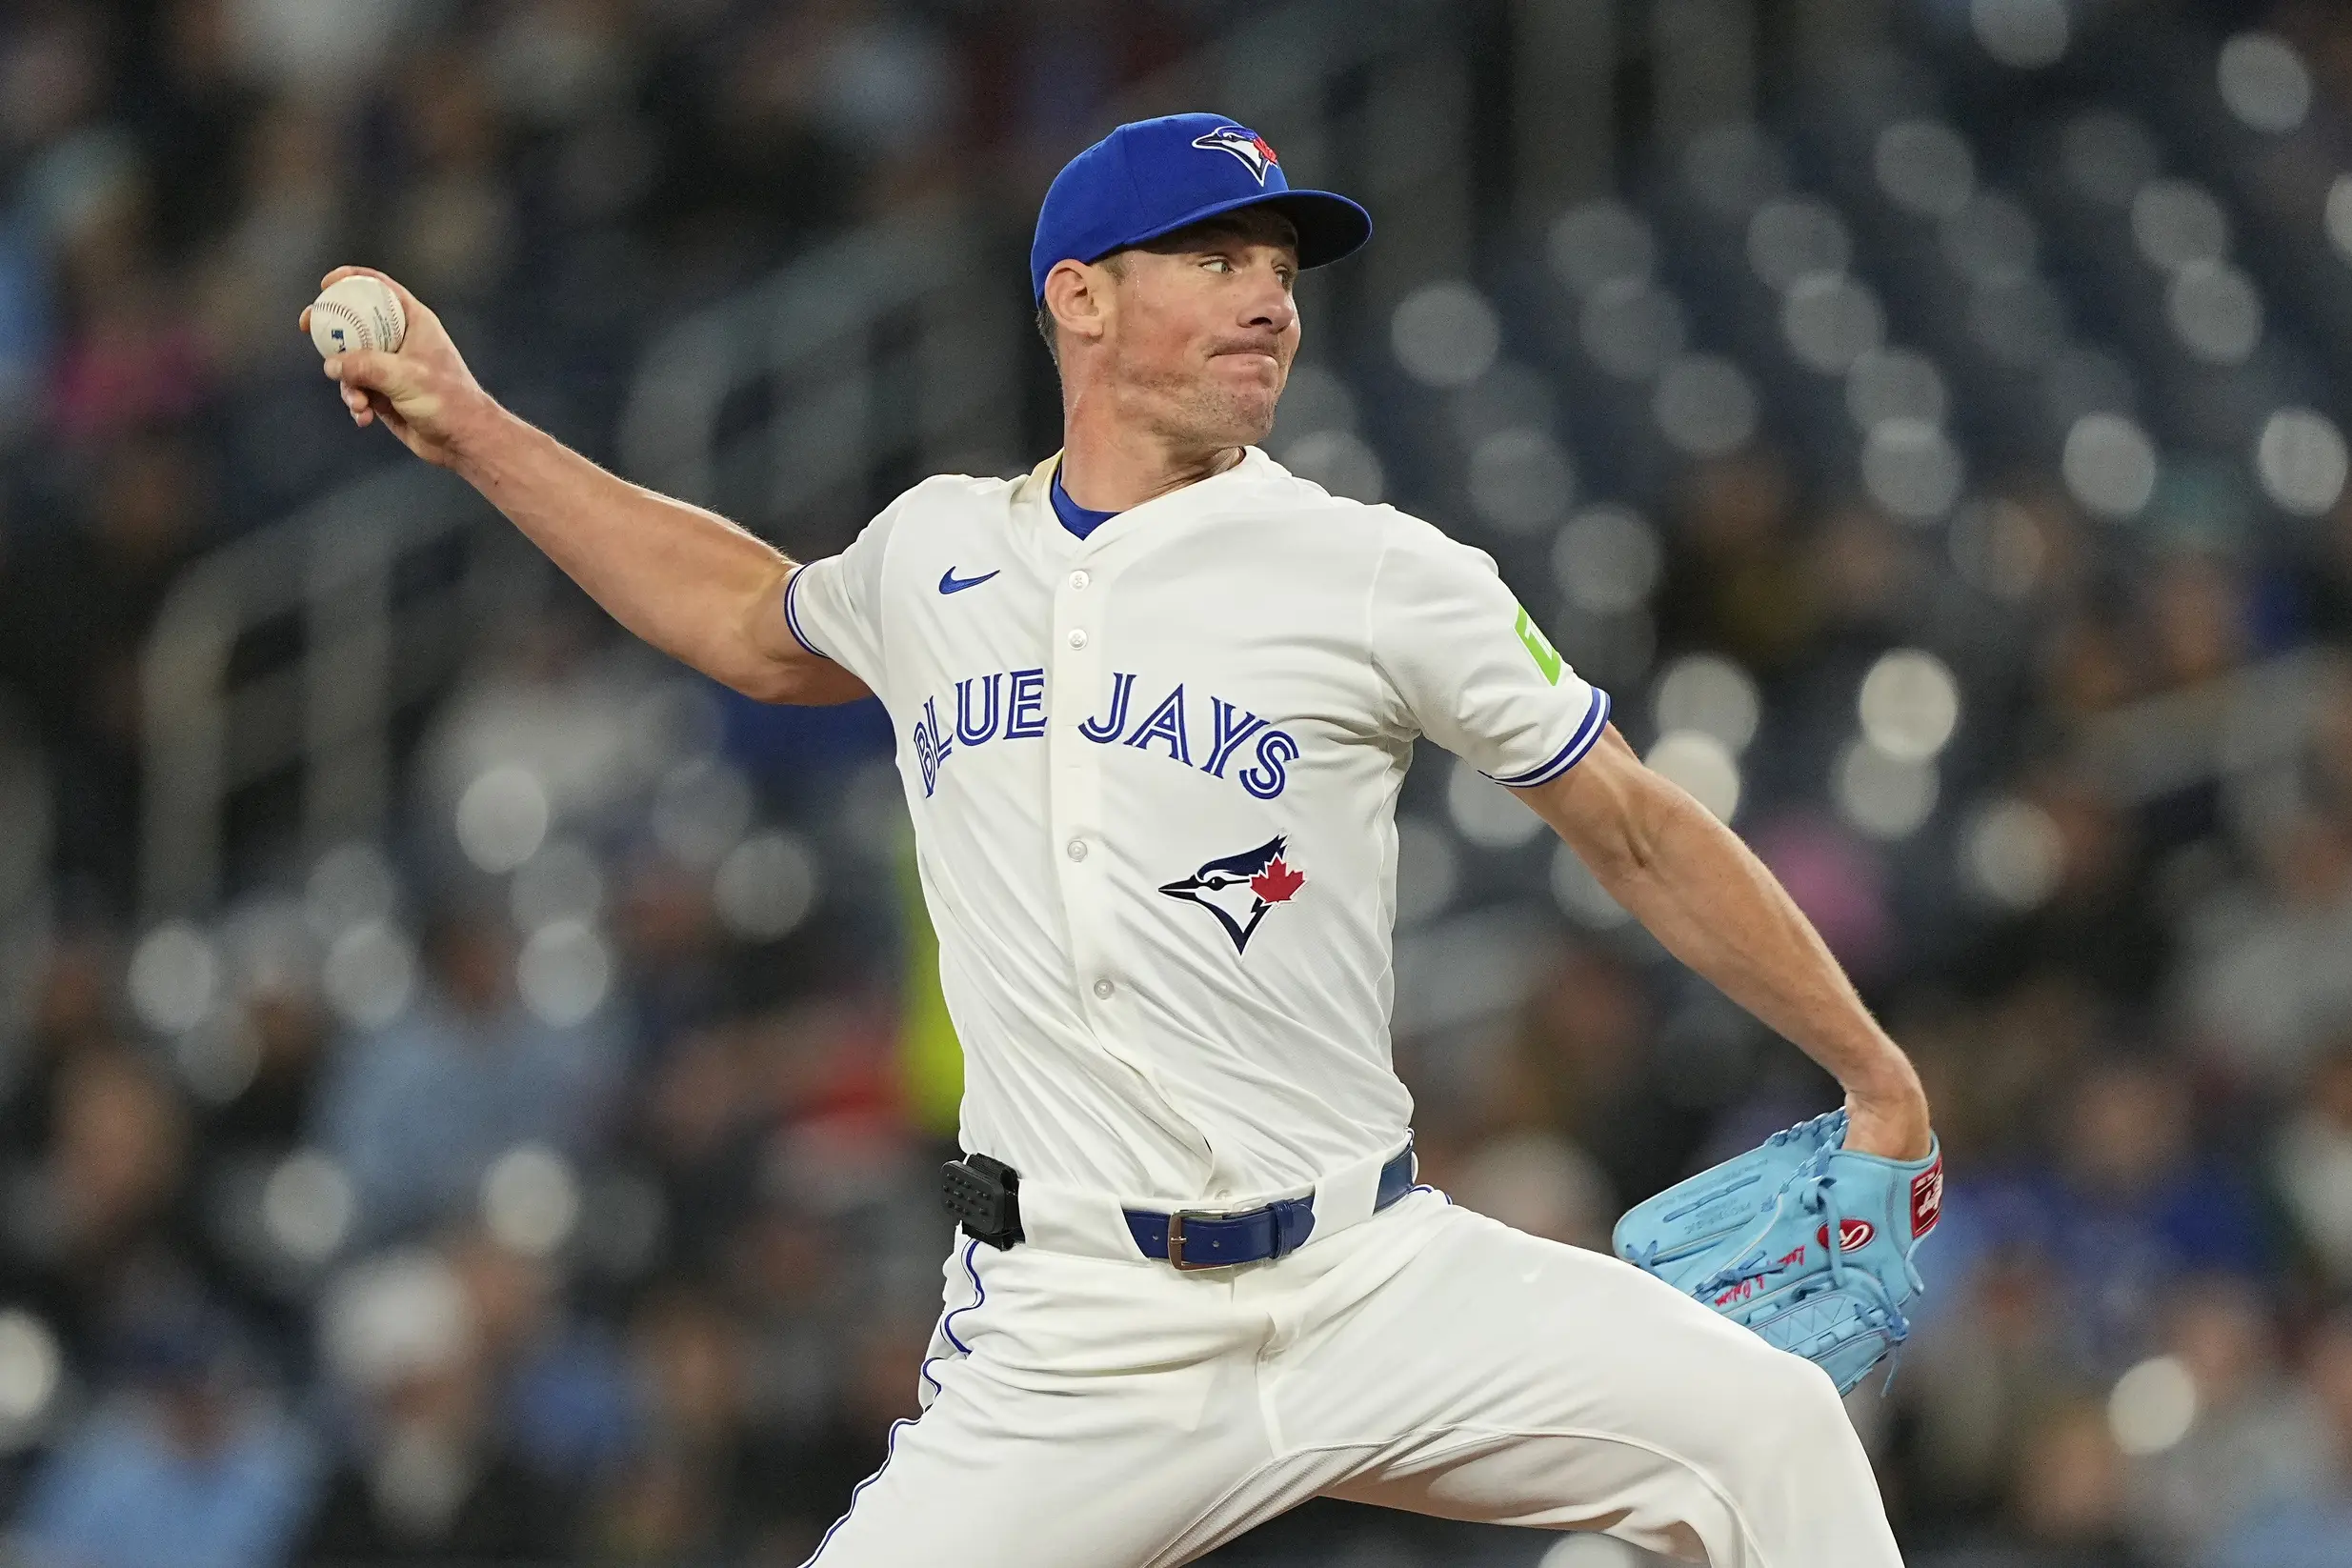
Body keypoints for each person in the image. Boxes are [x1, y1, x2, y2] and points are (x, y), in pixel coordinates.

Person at [309, 111, 1932, 1566]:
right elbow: (748, 616)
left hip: (1377, 1278)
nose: (1269, 297)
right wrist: (471, 426)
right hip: (1075, 1328)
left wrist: (1872, 1072)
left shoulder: (1374, 569)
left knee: (1773, 1435)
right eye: (1215, 257)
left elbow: (1636, 826)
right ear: (1079, 296)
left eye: (1280, 266)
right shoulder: (938, 550)